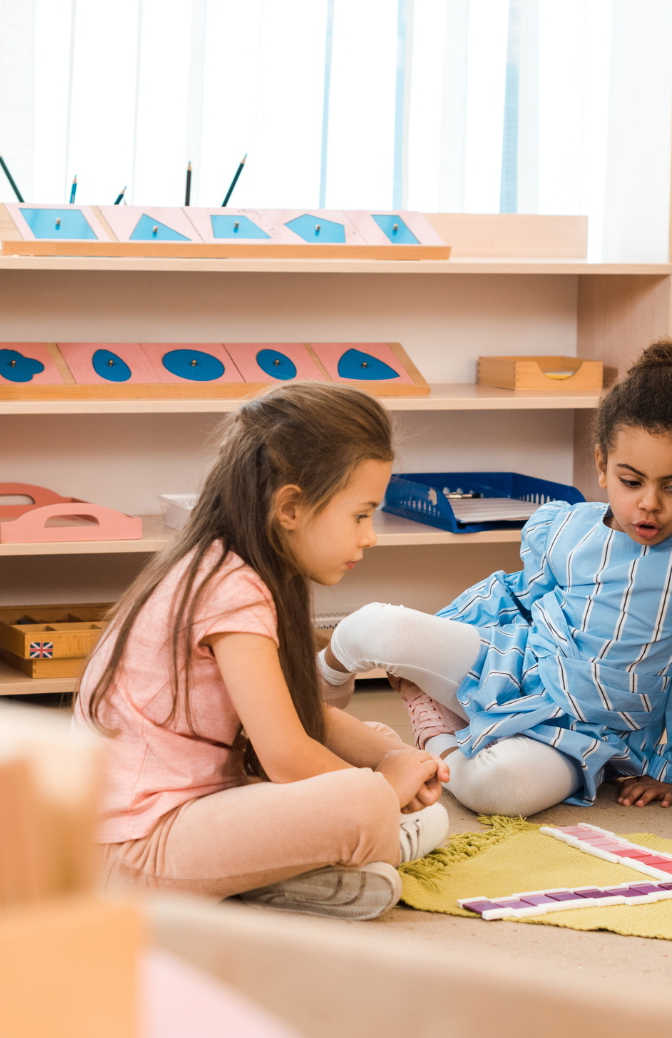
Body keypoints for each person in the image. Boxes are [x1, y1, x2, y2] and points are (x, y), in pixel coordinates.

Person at [323, 341, 672, 816]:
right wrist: (435, 639)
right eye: (632, 482)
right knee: (374, 626)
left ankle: (432, 738)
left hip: (592, 731)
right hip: (515, 665)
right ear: (602, 464)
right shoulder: (566, 528)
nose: (650, 503)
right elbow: (512, 595)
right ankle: (311, 704)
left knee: (499, 788)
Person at [76, 383, 451, 921]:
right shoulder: (230, 588)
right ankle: (366, 845)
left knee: (380, 747)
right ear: (292, 507)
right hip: (135, 850)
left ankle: (283, 876)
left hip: (187, 815)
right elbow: (285, 755)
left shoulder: (233, 566)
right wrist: (384, 787)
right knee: (367, 802)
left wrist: (387, 760)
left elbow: (295, 718)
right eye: (361, 515)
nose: (371, 536)